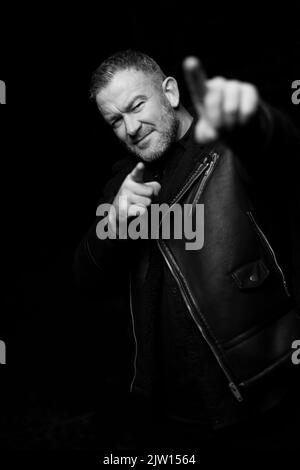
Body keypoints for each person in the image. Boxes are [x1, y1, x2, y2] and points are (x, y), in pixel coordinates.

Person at [74, 49, 300, 455]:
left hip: (256, 392)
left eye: (136, 105)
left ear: (171, 93)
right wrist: (112, 226)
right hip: (170, 414)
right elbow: (85, 279)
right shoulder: (122, 186)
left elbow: (282, 153)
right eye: (115, 120)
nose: (130, 128)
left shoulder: (230, 149)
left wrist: (255, 120)